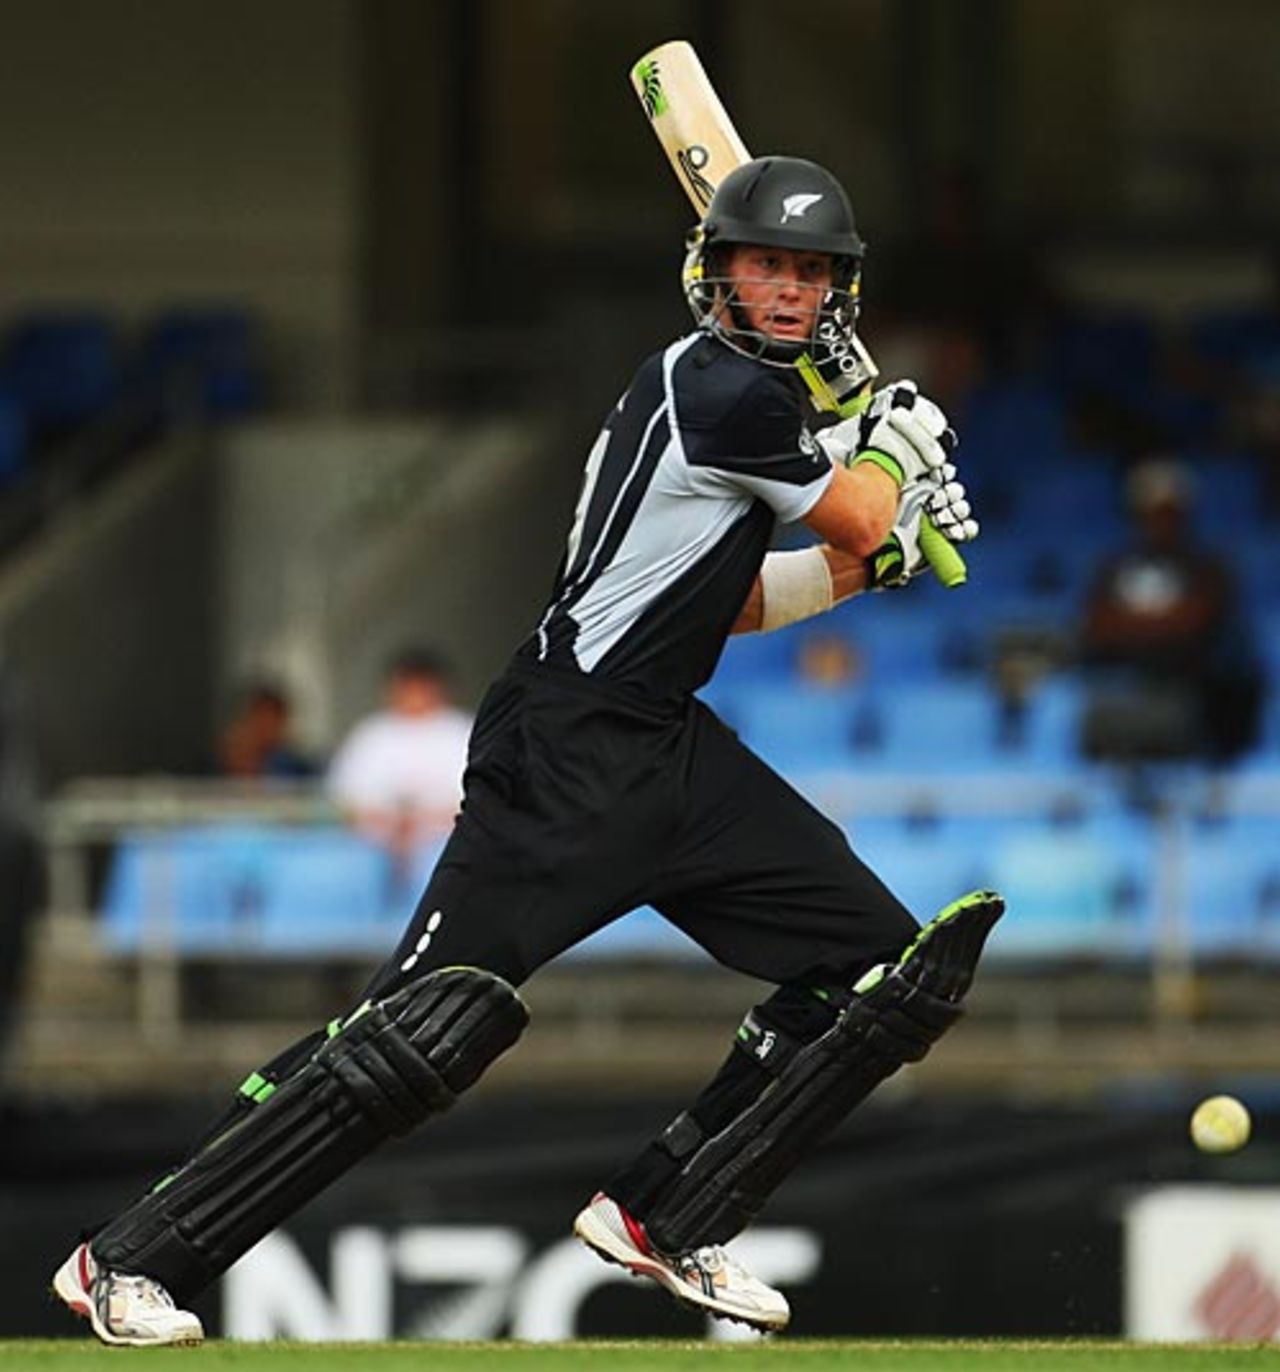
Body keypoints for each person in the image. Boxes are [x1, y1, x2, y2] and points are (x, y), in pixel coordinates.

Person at [51, 156, 998, 1346]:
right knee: (412, 1040)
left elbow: (730, 605)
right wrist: (894, 451)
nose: (786, 288)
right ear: (715, 273)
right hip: (563, 747)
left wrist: (871, 564)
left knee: (878, 971)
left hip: (665, 743)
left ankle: (667, 1214)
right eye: (764, 263)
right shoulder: (714, 387)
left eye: (808, 272)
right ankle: (127, 1260)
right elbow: (852, 508)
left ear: (833, 291)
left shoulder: (743, 411)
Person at [1080, 458, 1265, 764]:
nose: (1159, 521)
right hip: (1126, 685)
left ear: (1185, 513)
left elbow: (1197, 622)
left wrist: (1132, 622)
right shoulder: (1113, 567)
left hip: (1194, 691)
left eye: (1168, 512)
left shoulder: (1208, 567)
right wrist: (1164, 622)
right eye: (1149, 512)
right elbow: (1097, 626)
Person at [326, 646, 473, 857]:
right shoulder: (371, 734)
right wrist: (390, 825)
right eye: (408, 685)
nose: (415, 694)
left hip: (444, 840)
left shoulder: (461, 732)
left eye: (421, 686)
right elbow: (345, 799)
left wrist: (421, 825)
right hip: (376, 843)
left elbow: (475, 802)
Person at [216, 680, 316, 780]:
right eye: (261, 718)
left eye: (273, 720)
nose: (266, 727)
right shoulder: (231, 756)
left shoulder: (290, 763)